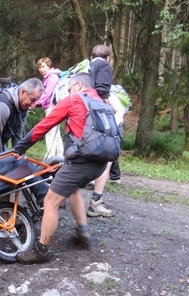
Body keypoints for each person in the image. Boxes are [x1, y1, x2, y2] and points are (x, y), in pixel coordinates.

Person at [13, 73, 111, 264]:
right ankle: (83, 232)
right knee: (73, 189)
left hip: (81, 162)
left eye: (68, 89)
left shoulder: (74, 99)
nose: (67, 93)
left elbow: (44, 125)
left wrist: (20, 147)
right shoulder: (101, 102)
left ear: (79, 86)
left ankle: (41, 251)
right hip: (101, 163)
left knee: (50, 201)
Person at [0, 78, 44, 155]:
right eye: (32, 100)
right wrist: (0, 163)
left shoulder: (22, 108)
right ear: (23, 92)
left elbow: (17, 138)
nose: (33, 105)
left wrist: (20, 156)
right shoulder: (2, 106)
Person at [87, 44, 118, 217]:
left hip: (81, 115)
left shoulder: (86, 66)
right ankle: (96, 202)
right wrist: (111, 109)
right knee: (107, 156)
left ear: (92, 56)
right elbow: (102, 91)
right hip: (96, 118)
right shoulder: (104, 65)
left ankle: (55, 198)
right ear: (107, 57)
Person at [35, 57, 63, 160]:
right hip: (53, 107)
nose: (41, 69)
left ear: (49, 66)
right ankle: (60, 157)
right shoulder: (49, 77)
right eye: (40, 67)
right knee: (56, 134)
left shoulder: (52, 77)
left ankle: (49, 158)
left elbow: (47, 94)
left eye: (43, 66)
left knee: (50, 133)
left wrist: (35, 102)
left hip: (52, 107)